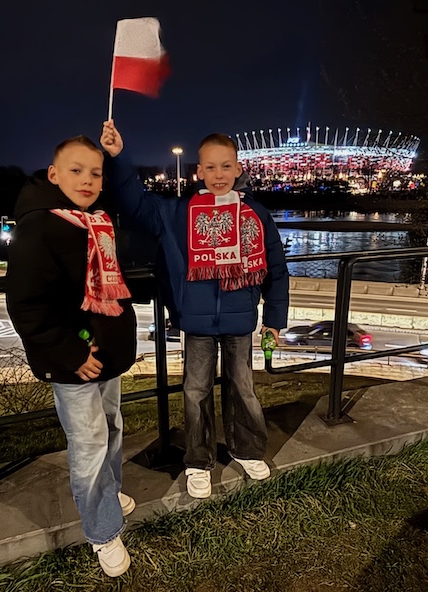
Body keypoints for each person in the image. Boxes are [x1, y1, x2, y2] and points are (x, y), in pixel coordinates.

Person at [100, 120, 289, 499]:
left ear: (238, 169)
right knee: (195, 392)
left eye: (226, 166)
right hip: (197, 322)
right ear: (198, 171)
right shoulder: (177, 213)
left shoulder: (256, 213)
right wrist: (119, 157)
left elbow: (276, 267)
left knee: (244, 389)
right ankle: (198, 461)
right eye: (211, 167)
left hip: (240, 319)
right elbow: (134, 203)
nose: (219, 175)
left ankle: (248, 450)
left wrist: (274, 319)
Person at [5, 135, 138, 577]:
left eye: (95, 173)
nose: (87, 180)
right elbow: (27, 306)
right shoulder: (39, 227)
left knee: (112, 427)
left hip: (107, 352)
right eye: (76, 171)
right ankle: (103, 531)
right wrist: (72, 353)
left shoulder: (96, 221)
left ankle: (109, 493)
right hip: (74, 361)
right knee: (90, 444)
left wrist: (118, 156)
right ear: (53, 174)